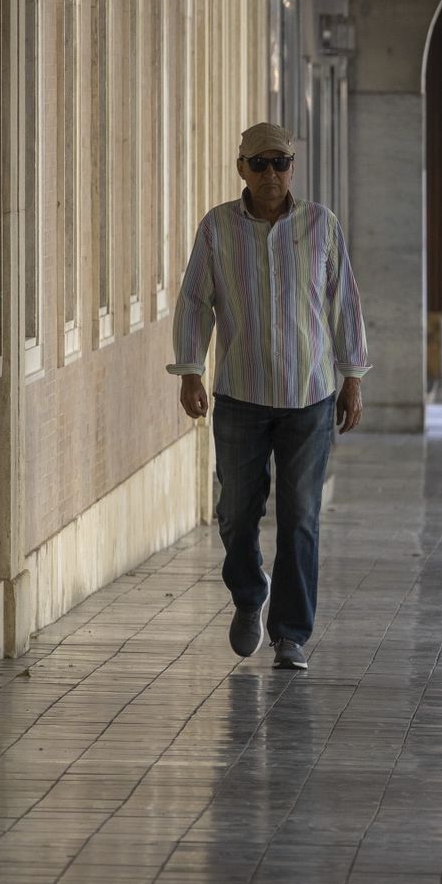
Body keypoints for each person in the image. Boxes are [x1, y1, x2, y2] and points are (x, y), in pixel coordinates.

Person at [168, 122, 369, 671]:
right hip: (240, 394)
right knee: (235, 513)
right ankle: (249, 596)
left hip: (309, 396)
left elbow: (344, 303)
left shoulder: (320, 225)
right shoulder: (218, 228)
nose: (271, 174)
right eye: (259, 164)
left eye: (280, 162)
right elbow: (193, 301)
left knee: (301, 515)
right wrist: (189, 369)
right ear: (242, 169)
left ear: (293, 166)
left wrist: (353, 377)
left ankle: (290, 633)